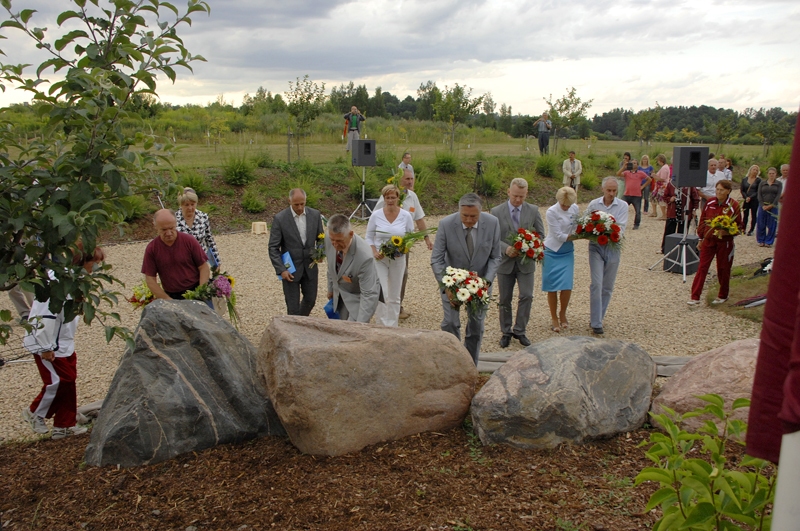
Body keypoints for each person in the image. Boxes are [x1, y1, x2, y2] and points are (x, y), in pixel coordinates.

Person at [22, 245, 105, 439]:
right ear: (82, 262)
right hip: (49, 344)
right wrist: (45, 346)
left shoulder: (76, 282)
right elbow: (45, 315)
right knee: (58, 381)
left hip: (63, 342)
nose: (97, 268)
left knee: (69, 381)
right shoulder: (57, 283)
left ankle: (64, 425)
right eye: (95, 263)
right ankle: (35, 412)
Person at [431, 193, 501, 365]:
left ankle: (471, 364)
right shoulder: (446, 224)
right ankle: (454, 361)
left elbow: (496, 257)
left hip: (481, 283)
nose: (469, 220)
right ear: (459, 211)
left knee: (476, 326)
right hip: (452, 284)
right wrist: (446, 284)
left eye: (473, 216)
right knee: (450, 323)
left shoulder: (493, 223)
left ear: (481, 212)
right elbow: (436, 259)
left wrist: (487, 281)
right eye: (465, 216)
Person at [490, 178, 544, 348]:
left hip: (525, 262)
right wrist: (505, 248)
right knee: (505, 298)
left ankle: (520, 330)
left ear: (526, 194)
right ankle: (506, 331)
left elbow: (541, 235)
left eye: (521, 196)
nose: (518, 200)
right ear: (508, 192)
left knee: (527, 295)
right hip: (505, 262)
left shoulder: (533, 210)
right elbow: (492, 238)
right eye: (515, 196)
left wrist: (530, 245)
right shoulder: (496, 211)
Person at [375, 169, 433, 319]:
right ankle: (379, 306)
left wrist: (426, 238)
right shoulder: (388, 196)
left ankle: (397, 306)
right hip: (385, 244)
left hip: (403, 245)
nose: (410, 181)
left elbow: (419, 218)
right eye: (407, 179)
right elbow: (375, 219)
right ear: (399, 180)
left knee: (403, 274)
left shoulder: (413, 197)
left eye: (412, 178)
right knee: (381, 275)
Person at [268, 189, 325, 316]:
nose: (299, 207)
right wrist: (281, 269)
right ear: (289, 201)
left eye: (302, 204)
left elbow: (321, 238)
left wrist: (320, 252)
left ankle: (298, 322)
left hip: (310, 266)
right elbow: (273, 247)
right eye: (296, 204)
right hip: (290, 269)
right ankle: (294, 328)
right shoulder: (280, 219)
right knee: (292, 306)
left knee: (310, 300)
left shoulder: (315, 215)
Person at [688, 180, 743, 305]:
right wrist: (700, 238)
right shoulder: (710, 202)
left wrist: (728, 232)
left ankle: (723, 295)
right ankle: (695, 296)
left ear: (728, 191)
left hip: (725, 243)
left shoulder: (733, 205)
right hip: (708, 241)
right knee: (702, 267)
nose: (718, 192)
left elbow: (740, 226)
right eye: (717, 189)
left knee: (723, 268)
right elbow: (703, 221)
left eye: (722, 190)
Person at [366, 185, 414, 327]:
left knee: (394, 294)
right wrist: (374, 251)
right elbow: (369, 236)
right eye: (388, 197)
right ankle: (381, 323)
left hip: (398, 258)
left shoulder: (406, 215)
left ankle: (393, 325)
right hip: (380, 258)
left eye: (393, 197)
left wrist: (404, 249)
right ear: (384, 198)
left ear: (398, 198)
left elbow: (411, 237)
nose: (390, 200)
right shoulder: (376, 215)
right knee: (382, 292)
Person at [586, 177, 629, 335]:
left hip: (613, 247)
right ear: (603, 189)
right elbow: (585, 222)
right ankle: (596, 322)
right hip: (596, 246)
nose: (611, 193)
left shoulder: (623, 205)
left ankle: (599, 316)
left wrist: (608, 229)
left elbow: (621, 227)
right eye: (609, 190)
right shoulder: (593, 204)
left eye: (614, 191)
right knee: (596, 283)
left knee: (607, 286)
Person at [142, 209, 210, 300]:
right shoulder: (152, 249)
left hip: (195, 289)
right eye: (164, 230)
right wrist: (166, 299)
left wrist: (201, 291)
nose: (169, 233)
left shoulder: (189, 241)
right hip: (171, 295)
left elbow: (203, 267)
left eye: (171, 228)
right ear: (155, 227)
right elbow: (150, 279)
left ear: (176, 224)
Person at [326, 214, 379, 322]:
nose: (335, 244)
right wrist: (331, 288)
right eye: (333, 240)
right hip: (339, 295)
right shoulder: (329, 237)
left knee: (352, 332)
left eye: (339, 241)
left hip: (357, 299)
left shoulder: (364, 257)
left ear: (350, 234)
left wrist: (360, 326)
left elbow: (369, 294)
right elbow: (330, 265)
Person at [542, 187, 579, 333]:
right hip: (552, 250)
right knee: (552, 286)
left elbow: (576, 226)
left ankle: (563, 313)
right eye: (564, 205)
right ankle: (553, 317)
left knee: (567, 284)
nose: (566, 207)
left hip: (567, 250)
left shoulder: (575, 208)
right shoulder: (551, 212)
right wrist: (578, 236)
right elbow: (557, 235)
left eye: (568, 205)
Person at [176, 187, 221, 267]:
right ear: (181, 205)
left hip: (201, 261)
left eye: (192, 204)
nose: (190, 208)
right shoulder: (173, 219)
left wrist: (216, 263)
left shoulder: (203, 217)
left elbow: (210, 241)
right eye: (186, 205)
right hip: (181, 263)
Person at [660, 181, 699, 254]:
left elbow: (695, 198)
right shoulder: (671, 184)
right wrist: (670, 199)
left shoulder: (690, 186)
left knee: (682, 232)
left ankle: (679, 250)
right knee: (669, 231)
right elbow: (665, 196)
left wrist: (694, 209)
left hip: (685, 212)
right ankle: (665, 249)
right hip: (672, 212)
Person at [616, 158, 648, 229]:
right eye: (632, 163)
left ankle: (636, 224)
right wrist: (624, 167)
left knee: (637, 211)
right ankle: (619, 222)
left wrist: (642, 186)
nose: (633, 164)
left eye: (635, 163)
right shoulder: (627, 172)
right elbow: (618, 174)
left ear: (637, 165)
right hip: (627, 194)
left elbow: (649, 179)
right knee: (621, 208)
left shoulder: (640, 173)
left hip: (636, 195)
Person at [756, 167, 782, 248]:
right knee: (761, 223)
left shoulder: (778, 184)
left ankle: (769, 241)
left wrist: (771, 205)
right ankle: (761, 240)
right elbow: (759, 194)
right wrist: (762, 205)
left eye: (773, 174)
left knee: (772, 225)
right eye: (770, 173)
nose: (771, 175)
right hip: (762, 206)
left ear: (776, 174)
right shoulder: (762, 183)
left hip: (773, 206)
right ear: (767, 174)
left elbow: (778, 195)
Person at [740, 165, 761, 236]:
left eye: (756, 170)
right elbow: (742, 190)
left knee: (753, 215)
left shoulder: (758, 180)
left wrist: (750, 197)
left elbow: (758, 191)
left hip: (754, 199)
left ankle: (751, 229)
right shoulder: (744, 179)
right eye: (754, 170)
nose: (755, 171)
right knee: (745, 215)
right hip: (746, 200)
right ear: (750, 170)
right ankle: (743, 228)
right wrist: (746, 197)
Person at [651, 154, 671, 219]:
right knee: (653, 197)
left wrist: (654, 176)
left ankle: (664, 215)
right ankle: (654, 212)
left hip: (662, 186)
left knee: (661, 200)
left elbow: (663, 178)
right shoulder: (664, 167)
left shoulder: (665, 168)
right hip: (659, 186)